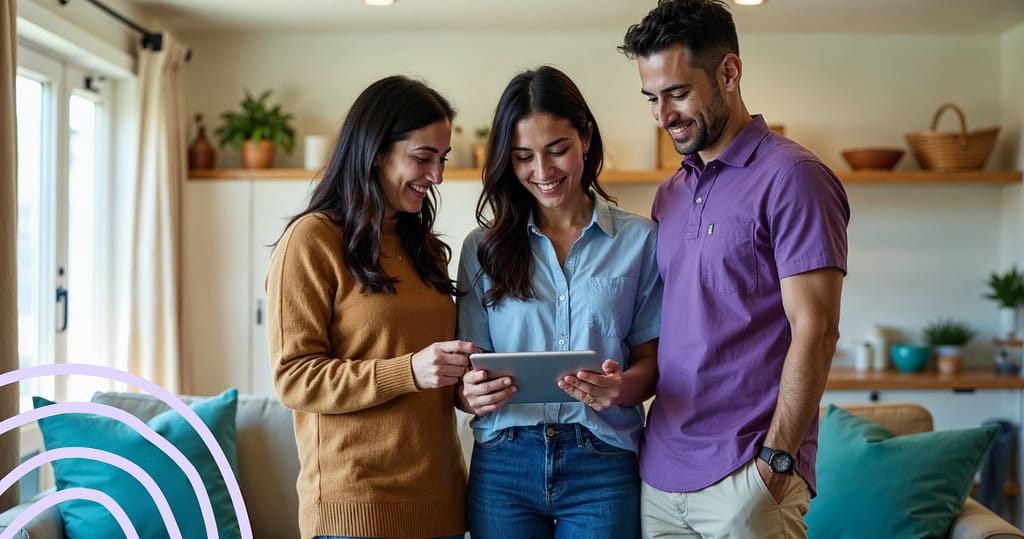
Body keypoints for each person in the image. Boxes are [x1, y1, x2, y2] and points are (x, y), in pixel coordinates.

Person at [618, 1, 851, 538]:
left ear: (729, 72)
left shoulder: (794, 177)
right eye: (651, 98)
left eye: (677, 93)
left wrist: (778, 462)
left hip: (749, 474)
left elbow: (817, 329)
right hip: (660, 475)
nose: (662, 115)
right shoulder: (670, 194)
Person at [265, 75, 479, 539]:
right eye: (423, 158)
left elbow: (436, 378)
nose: (437, 176)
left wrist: (470, 385)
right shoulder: (311, 241)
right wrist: (409, 372)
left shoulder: (424, 249)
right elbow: (294, 378)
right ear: (375, 150)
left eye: (442, 160)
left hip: (442, 507)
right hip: (355, 510)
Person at [456, 65, 663, 539]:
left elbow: (651, 361)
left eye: (557, 150)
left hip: (604, 461)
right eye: (524, 156)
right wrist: (470, 394)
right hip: (504, 459)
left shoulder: (640, 240)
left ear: (585, 137)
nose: (542, 172)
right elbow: (464, 378)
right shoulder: (481, 247)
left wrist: (620, 388)